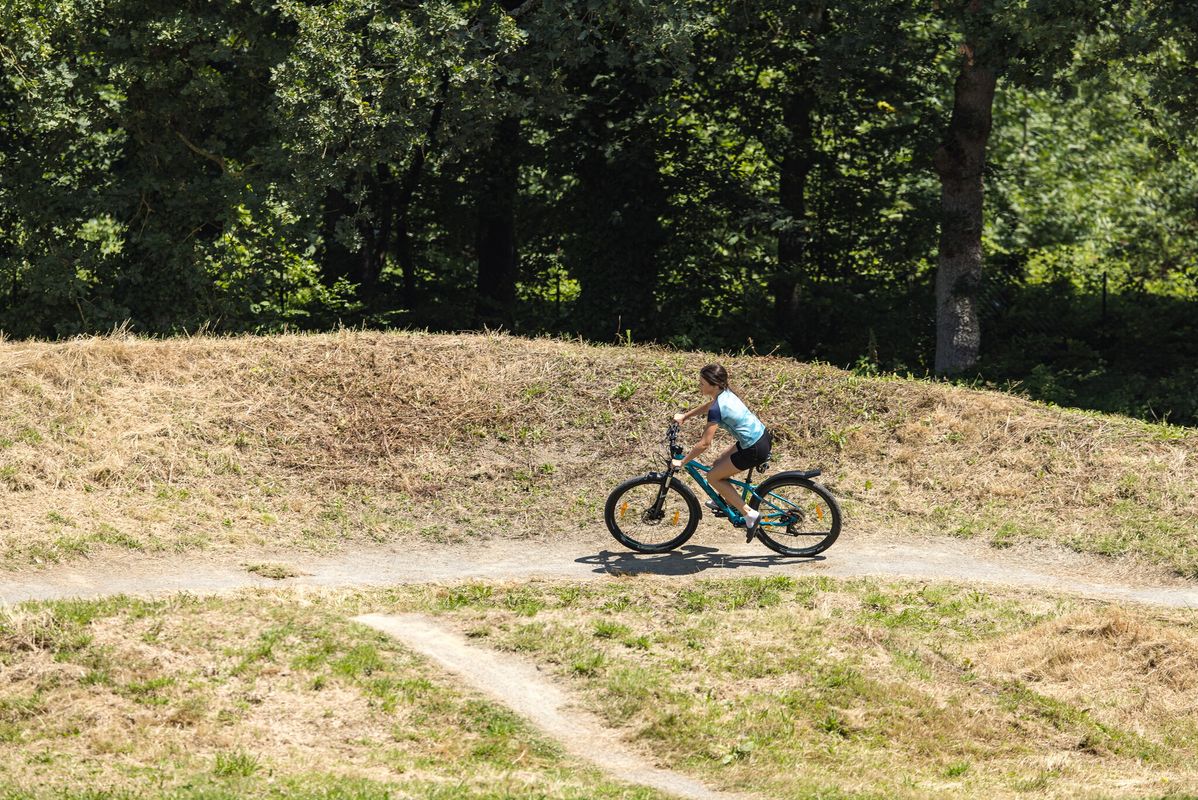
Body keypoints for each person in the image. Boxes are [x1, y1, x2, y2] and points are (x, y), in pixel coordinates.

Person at [671, 363, 773, 541]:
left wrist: (683, 461)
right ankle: (727, 501)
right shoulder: (724, 394)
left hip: (753, 448)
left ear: (715, 385)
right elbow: (709, 406)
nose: (699, 386)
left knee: (713, 477)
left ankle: (749, 514)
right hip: (759, 438)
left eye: (702, 383)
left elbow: (704, 443)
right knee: (718, 464)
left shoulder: (719, 407)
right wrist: (685, 416)